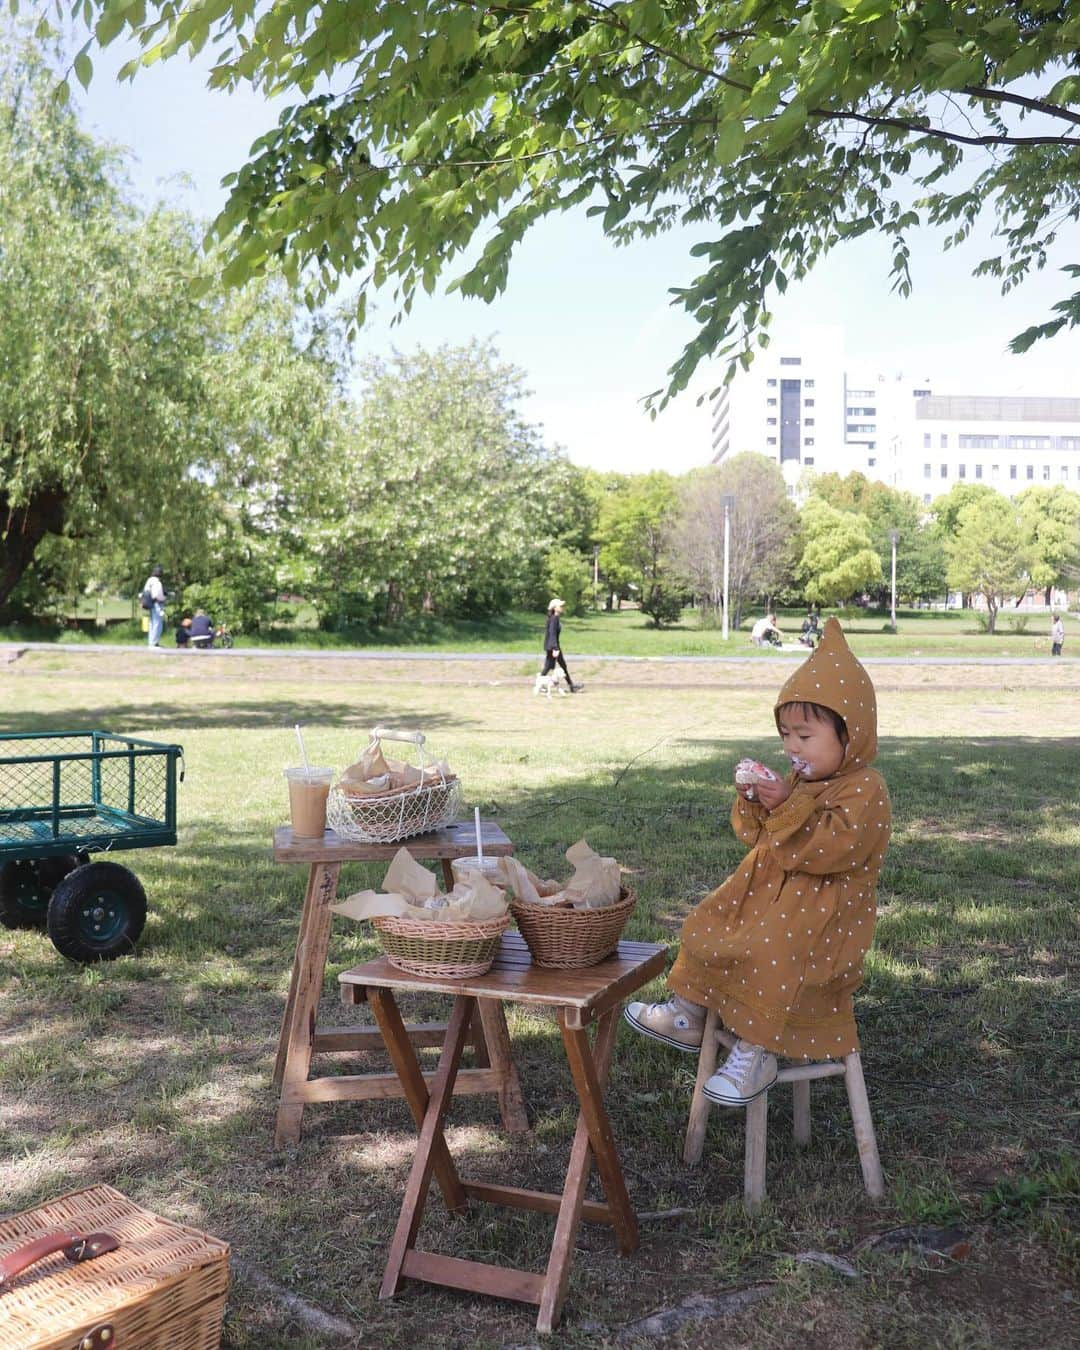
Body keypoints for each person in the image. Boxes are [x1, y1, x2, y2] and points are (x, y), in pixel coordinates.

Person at [625, 619, 891, 1105]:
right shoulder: (800, 780)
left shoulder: (865, 789)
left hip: (824, 922)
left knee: (771, 953)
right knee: (710, 919)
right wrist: (756, 801)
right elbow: (757, 837)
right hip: (772, 905)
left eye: (805, 736)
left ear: (850, 736)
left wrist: (787, 803)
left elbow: (832, 848)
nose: (793, 747)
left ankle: (758, 1050)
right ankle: (691, 1011)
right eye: (786, 734)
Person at [540, 598, 576, 691]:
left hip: (553, 645)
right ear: (554, 608)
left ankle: (571, 685)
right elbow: (552, 634)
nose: (562, 607)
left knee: (561, 666)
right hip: (552, 646)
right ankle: (539, 685)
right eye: (560, 606)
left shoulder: (555, 618)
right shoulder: (554, 619)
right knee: (548, 667)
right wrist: (555, 648)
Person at [142, 565, 166, 648]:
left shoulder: (149, 581)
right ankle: (154, 643)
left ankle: (151, 642)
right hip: (157, 604)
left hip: (150, 604)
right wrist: (164, 598)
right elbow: (156, 595)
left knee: (152, 623)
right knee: (157, 623)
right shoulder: (157, 582)